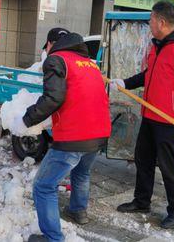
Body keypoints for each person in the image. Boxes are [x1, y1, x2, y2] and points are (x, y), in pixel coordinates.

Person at [109, 1, 174, 229]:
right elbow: (149, 74)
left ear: (161, 22)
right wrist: (126, 82)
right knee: (142, 159)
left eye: (151, 21)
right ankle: (142, 201)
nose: (150, 24)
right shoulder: (158, 45)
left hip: (171, 121)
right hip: (151, 115)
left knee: (168, 166)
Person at [11, 28, 111, 242]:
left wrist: (26, 120)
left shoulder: (56, 60)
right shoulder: (90, 64)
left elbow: (52, 99)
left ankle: (53, 238)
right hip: (99, 132)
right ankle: (77, 210)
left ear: (50, 45)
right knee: (81, 173)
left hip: (75, 135)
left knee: (43, 185)